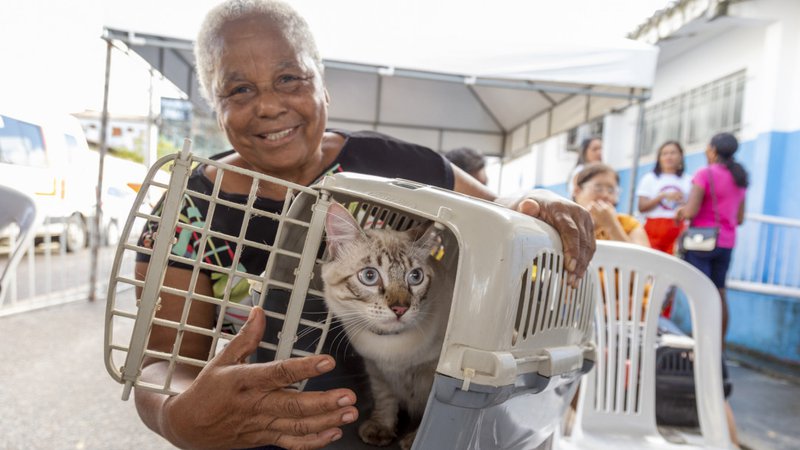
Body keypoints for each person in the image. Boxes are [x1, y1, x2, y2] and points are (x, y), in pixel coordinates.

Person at [132, 1, 596, 449]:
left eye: (289, 78)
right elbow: (160, 363)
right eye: (239, 90)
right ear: (215, 104)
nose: (269, 106)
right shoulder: (186, 210)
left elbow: (502, 216)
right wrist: (177, 418)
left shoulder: (395, 165)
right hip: (250, 439)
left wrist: (545, 200)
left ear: (323, 84)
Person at [676, 132, 748, 343]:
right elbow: (740, 218)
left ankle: (700, 347)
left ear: (714, 150)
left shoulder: (705, 173)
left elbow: (690, 211)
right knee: (719, 293)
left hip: (702, 242)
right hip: (726, 243)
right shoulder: (740, 178)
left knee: (700, 293)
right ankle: (718, 346)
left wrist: (680, 211)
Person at [573, 162, 650, 246]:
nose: (605, 195)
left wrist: (611, 225)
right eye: (598, 188)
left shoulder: (628, 224)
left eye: (611, 190)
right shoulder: (568, 221)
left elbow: (643, 258)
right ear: (577, 191)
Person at [636, 141, 692, 254]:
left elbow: (693, 207)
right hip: (653, 228)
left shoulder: (688, 180)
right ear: (659, 157)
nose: (669, 156)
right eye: (665, 153)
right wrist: (662, 196)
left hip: (677, 228)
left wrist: (683, 204)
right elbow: (642, 207)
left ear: (681, 156)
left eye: (673, 153)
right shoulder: (649, 179)